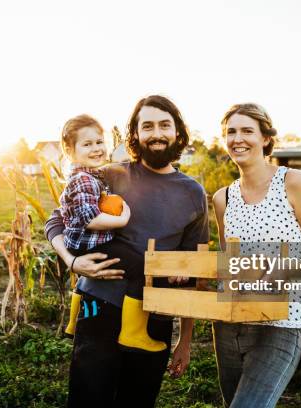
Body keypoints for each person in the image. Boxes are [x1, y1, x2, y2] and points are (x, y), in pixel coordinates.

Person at [45, 95, 209, 407]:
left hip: (154, 314)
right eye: (147, 126)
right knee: (88, 400)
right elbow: (57, 219)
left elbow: (195, 273)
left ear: (178, 132)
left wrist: (184, 341)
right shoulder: (109, 175)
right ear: (135, 133)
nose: (156, 133)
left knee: (137, 401)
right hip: (98, 306)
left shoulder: (193, 193)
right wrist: (72, 260)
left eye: (164, 125)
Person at [211, 103, 301, 407]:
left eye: (247, 131)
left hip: (281, 324)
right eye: (231, 132)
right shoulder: (222, 198)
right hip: (229, 324)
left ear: (266, 138)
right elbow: (229, 263)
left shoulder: (292, 182)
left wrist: (286, 269)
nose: (238, 139)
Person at [59, 113, 166, 352]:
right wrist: (122, 219)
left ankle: (72, 324)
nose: (96, 148)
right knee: (142, 266)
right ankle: (133, 333)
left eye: (99, 142)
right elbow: (90, 218)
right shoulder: (84, 179)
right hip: (90, 244)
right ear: (70, 150)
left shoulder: (90, 175)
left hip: (83, 244)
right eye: (87, 144)